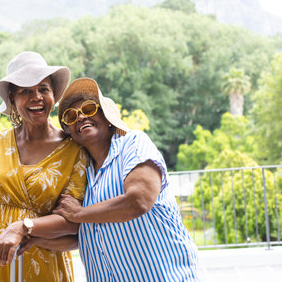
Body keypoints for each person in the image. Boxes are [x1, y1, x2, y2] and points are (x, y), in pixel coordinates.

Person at [0, 52, 88, 282]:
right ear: (12, 98)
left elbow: (72, 221)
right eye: (26, 91)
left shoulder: (73, 150)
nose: (36, 97)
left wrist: (23, 227)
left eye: (43, 89)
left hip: (42, 261)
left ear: (53, 95)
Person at [52, 77, 199, 281]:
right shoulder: (82, 173)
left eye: (88, 109)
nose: (80, 117)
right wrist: (30, 237)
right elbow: (79, 235)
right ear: (70, 133)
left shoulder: (133, 144)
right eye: (71, 116)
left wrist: (79, 213)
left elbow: (139, 200)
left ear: (106, 117)